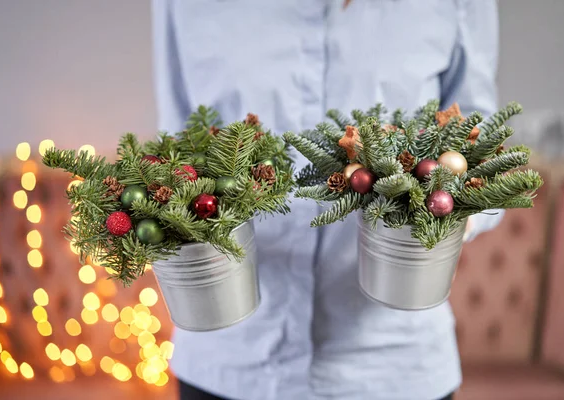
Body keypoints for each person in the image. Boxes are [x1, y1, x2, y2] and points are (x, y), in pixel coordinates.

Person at [151, 1, 502, 399]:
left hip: (394, 364)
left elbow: (480, 141)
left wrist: (447, 219)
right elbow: (176, 144)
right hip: (230, 360)